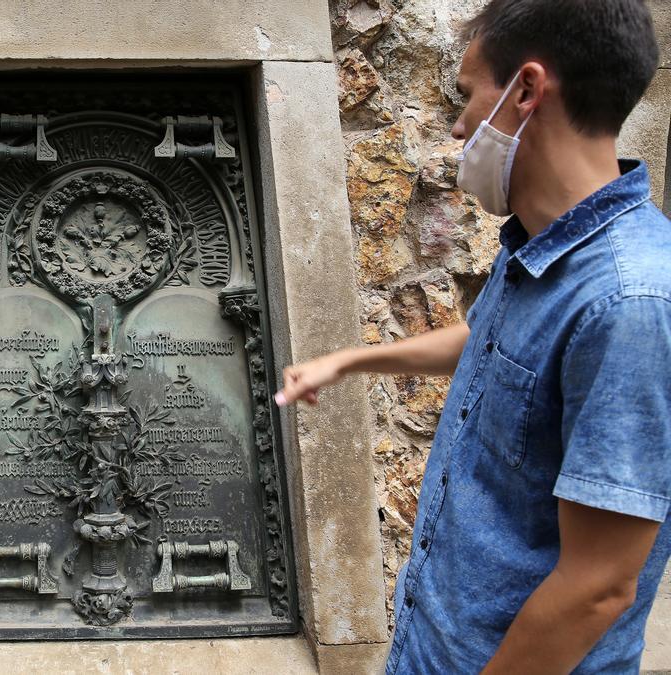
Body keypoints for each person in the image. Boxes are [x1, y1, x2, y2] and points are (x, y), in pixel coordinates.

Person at [274, 0, 670, 672]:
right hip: (434, 643)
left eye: (465, 96)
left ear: (526, 90)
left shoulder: (631, 301)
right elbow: (489, 344)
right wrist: (346, 361)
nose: (458, 127)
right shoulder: (546, 250)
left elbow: (597, 586)